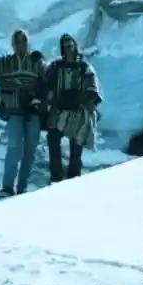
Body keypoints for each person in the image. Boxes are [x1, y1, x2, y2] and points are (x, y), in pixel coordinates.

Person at [0, 29, 47, 198]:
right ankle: (8, 187)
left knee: (30, 150)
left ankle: (22, 187)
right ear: (13, 44)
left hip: (33, 112)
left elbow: (50, 77)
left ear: (28, 42)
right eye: (17, 41)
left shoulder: (36, 62)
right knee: (13, 147)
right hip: (14, 112)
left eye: (23, 41)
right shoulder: (6, 62)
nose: (20, 44)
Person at [44, 33, 103, 182]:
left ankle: (73, 178)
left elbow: (93, 90)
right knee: (53, 136)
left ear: (75, 46)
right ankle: (56, 176)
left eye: (70, 46)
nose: (68, 50)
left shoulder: (85, 67)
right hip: (61, 109)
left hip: (79, 110)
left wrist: (82, 98)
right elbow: (47, 85)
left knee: (77, 143)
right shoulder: (56, 67)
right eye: (65, 47)